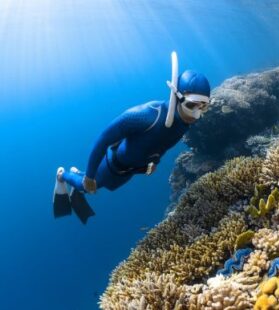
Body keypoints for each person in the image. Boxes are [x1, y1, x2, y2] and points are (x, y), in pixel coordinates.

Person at [53, 53, 210, 224]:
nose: (197, 114)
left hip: (132, 169)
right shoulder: (145, 116)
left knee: (109, 186)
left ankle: (80, 174)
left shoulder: (184, 122)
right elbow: (102, 140)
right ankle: (63, 175)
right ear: (176, 96)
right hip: (113, 164)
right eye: (191, 105)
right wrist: (90, 177)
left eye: (203, 107)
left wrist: (153, 163)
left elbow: (162, 144)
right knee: (90, 187)